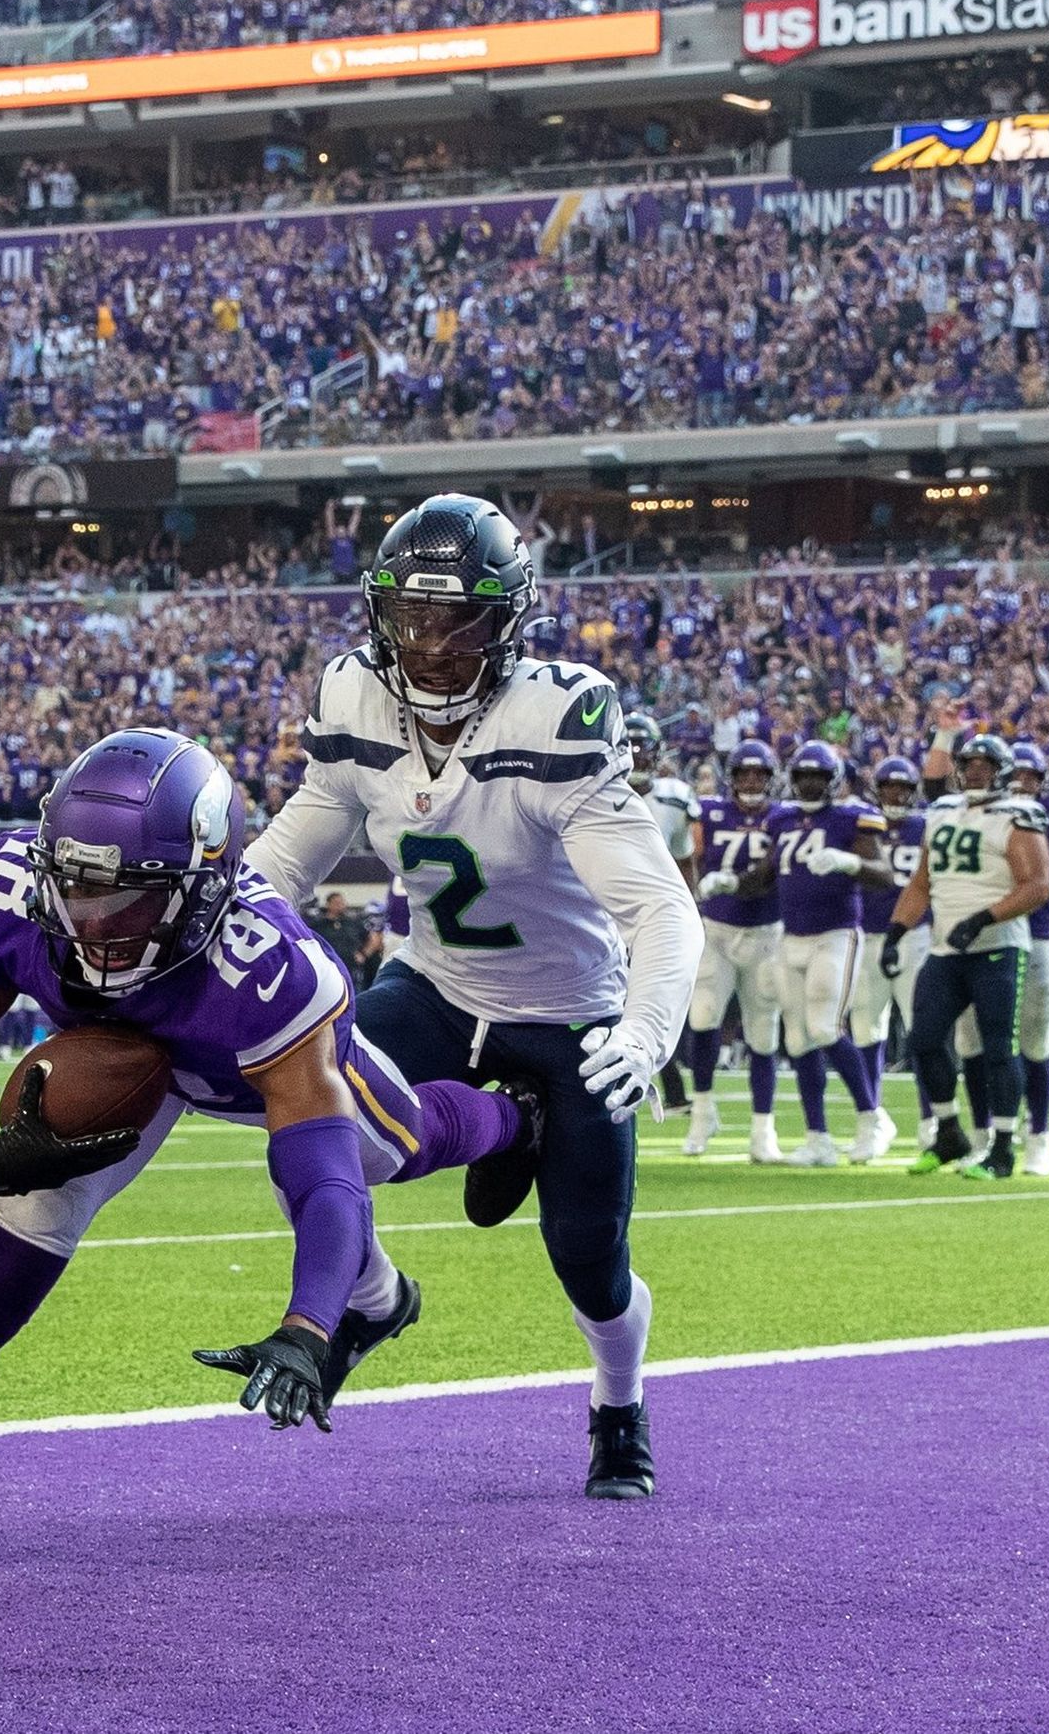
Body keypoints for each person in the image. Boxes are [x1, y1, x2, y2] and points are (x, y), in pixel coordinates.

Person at [0, 729, 538, 1566]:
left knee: (400, 1143)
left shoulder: (270, 973)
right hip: (124, 1067)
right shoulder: (10, 894)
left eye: (135, 897)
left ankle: (513, 1115)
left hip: (236, 1063)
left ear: (208, 883)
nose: (97, 920)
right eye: (77, 887)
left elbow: (321, 1177)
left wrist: (306, 1325)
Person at [244, 494, 702, 1499]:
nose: (431, 643)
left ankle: (617, 1406)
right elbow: (288, 854)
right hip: (439, 986)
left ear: (511, 621)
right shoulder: (355, 698)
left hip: (568, 1010)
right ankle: (374, 1296)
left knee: (590, 1259)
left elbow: (662, 908)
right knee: (307, 1131)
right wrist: (204, 935)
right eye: (410, 617)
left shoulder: (557, 716)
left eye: (457, 619)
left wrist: (647, 1027)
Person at [929, 700, 1049, 1176]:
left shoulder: (1043, 816)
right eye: (1019, 774)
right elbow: (933, 790)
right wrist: (945, 736)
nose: (1025, 783)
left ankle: (1037, 1134)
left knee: (1032, 1043)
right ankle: (984, 1133)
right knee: (971, 1043)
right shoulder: (976, 809)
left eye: (1033, 776)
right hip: (973, 941)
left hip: (1034, 935)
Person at [882, 733, 1049, 1180]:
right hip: (945, 947)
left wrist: (983, 919)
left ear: (1003, 770)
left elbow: (1037, 886)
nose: (976, 771)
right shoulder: (941, 813)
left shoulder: (1018, 814)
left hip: (997, 947)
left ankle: (1001, 1147)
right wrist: (896, 931)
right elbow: (921, 882)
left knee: (999, 1048)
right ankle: (949, 1132)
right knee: (923, 1039)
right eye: (969, 764)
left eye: (985, 764)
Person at [761, 741, 895, 1167]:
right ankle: (817, 1137)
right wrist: (729, 883)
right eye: (803, 776)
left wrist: (847, 862)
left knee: (824, 1028)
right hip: (791, 936)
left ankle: (871, 1119)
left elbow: (884, 875)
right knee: (798, 1038)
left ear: (833, 780)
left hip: (835, 935)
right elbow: (767, 873)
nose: (810, 784)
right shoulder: (780, 819)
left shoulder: (851, 818)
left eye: (818, 776)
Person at [683, 741, 786, 1163]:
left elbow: (779, 867)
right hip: (717, 929)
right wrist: (694, 890)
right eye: (743, 774)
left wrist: (732, 882)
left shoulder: (783, 817)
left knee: (763, 1031)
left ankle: (763, 1128)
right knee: (703, 1017)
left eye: (758, 775)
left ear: (771, 778)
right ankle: (702, 1111)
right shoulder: (707, 811)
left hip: (765, 932)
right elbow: (689, 855)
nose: (750, 782)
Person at [849, 757, 930, 1149]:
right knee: (866, 1028)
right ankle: (872, 1120)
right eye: (888, 788)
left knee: (924, 1030)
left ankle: (932, 1119)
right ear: (876, 790)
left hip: (916, 936)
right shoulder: (863, 825)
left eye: (903, 788)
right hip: (869, 936)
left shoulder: (925, 826)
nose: (896, 795)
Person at [626, 711, 700, 1114]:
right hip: (608, 917)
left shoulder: (674, 797)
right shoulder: (596, 788)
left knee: (654, 1002)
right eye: (630, 745)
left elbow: (685, 859)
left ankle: (672, 1092)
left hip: (655, 917)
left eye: (643, 747)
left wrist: (687, 909)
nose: (637, 755)